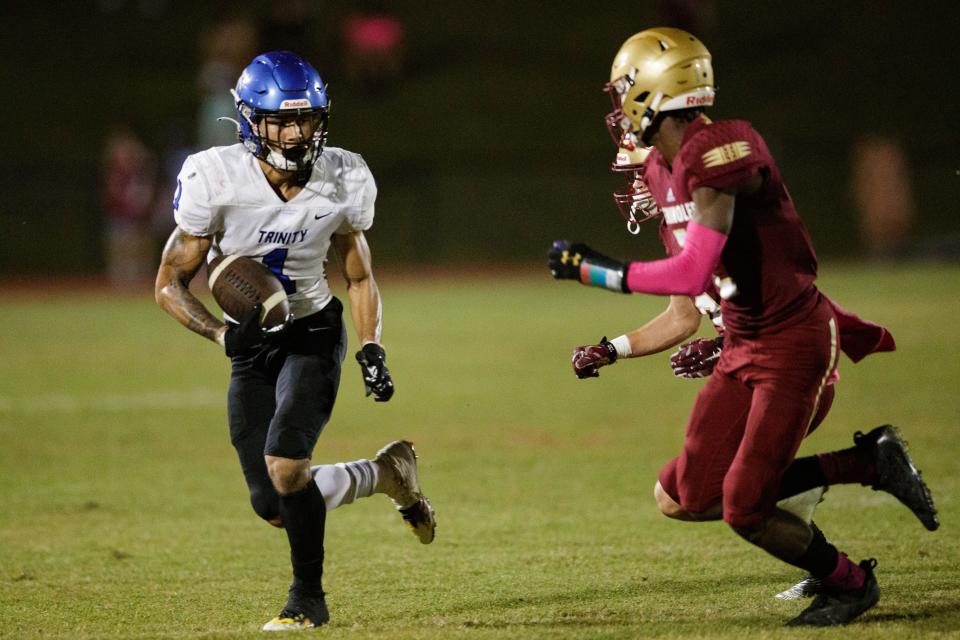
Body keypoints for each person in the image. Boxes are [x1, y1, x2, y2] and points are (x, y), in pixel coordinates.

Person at [548, 27, 938, 627]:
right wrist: (618, 347)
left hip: (792, 342)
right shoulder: (663, 169)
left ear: (655, 90)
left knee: (744, 505)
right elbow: (688, 300)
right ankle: (867, 465)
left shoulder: (721, 147)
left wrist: (598, 273)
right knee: (685, 497)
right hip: (745, 348)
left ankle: (849, 582)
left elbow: (698, 265)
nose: (618, 108)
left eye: (624, 89)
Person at [155, 51, 435, 631]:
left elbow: (358, 275)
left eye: (306, 119)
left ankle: (307, 598)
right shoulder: (216, 176)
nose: (296, 132)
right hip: (252, 344)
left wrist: (371, 346)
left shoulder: (344, 174)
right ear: (250, 122)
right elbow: (168, 286)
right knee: (272, 502)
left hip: (312, 330)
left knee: (286, 466)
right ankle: (387, 475)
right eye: (281, 121)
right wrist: (220, 332)